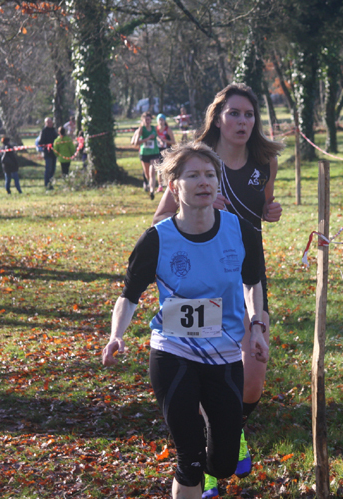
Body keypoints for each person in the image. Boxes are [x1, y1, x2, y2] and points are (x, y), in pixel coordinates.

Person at [102, 142, 269, 499]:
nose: (203, 182)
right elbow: (129, 296)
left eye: (210, 175)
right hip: (173, 350)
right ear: (174, 185)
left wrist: (256, 326)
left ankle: (217, 452)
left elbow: (252, 283)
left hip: (225, 355)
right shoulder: (157, 240)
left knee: (222, 463)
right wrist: (116, 335)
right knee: (190, 458)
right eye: (193, 175)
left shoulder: (239, 231)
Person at [153, 83, 284, 497]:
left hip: (246, 278)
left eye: (249, 114)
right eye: (234, 113)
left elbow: (263, 207)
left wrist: (271, 211)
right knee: (199, 376)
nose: (243, 121)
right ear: (218, 117)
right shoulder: (198, 160)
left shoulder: (264, 161)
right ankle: (204, 461)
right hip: (198, 285)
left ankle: (230, 430)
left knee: (253, 378)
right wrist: (200, 207)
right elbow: (159, 220)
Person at [131, 111, 161, 199]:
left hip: (154, 153)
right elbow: (136, 143)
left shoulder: (154, 128)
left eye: (148, 119)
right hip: (144, 154)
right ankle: (148, 185)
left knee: (152, 172)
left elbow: (158, 136)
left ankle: (152, 191)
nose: (147, 121)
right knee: (147, 174)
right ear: (142, 120)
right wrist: (147, 138)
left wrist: (160, 141)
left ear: (151, 120)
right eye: (145, 120)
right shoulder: (141, 129)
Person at [156, 114, 176, 191]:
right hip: (158, 151)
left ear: (164, 121)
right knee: (159, 168)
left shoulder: (168, 130)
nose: (161, 122)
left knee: (168, 168)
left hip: (167, 151)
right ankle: (160, 185)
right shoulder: (156, 129)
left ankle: (169, 184)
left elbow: (173, 141)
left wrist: (165, 141)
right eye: (159, 120)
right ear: (157, 121)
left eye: (162, 120)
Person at [37, 117, 59, 189]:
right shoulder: (43, 131)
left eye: (50, 122)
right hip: (47, 153)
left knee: (53, 169)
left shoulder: (54, 130)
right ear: (45, 123)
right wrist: (46, 145)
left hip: (54, 153)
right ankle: (47, 184)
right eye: (48, 122)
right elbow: (40, 142)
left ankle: (51, 184)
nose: (49, 124)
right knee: (48, 169)